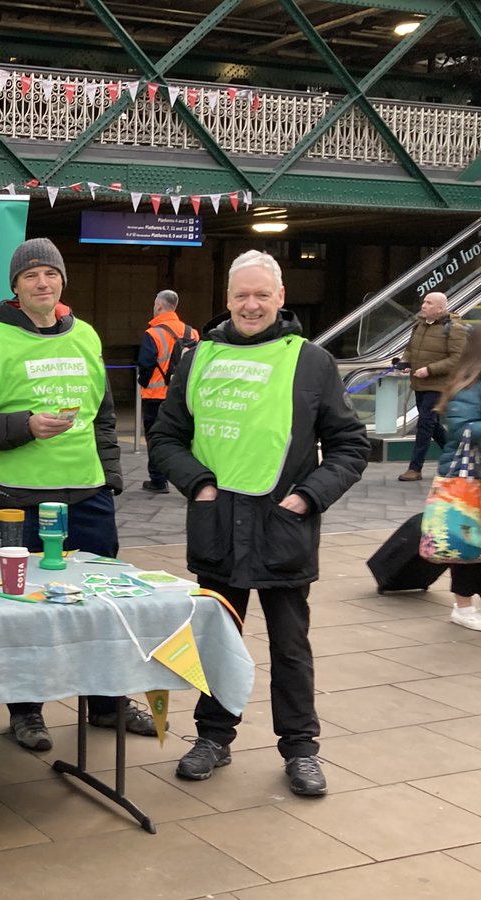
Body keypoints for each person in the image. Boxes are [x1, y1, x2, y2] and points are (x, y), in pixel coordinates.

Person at [149, 250, 369, 797]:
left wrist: (310, 496)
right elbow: (166, 436)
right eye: (241, 295)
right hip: (217, 527)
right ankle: (213, 738)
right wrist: (197, 483)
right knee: (216, 641)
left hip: (282, 532)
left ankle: (301, 750)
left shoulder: (312, 362)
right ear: (227, 299)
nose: (251, 304)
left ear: (280, 298)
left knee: (291, 649)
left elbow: (349, 444)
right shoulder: (196, 357)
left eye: (261, 295)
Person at [0, 237, 155, 754]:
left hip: (87, 498)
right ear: (15, 287)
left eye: (51, 274)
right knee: (22, 611)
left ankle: (107, 703)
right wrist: (23, 426)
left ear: (63, 281)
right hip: (18, 501)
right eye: (31, 276)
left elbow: (103, 418)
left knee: (103, 607)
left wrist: (110, 478)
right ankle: (26, 712)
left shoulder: (86, 336)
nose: (43, 283)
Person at [433, 326, 481, 630]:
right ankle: (463, 608)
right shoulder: (469, 384)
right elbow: (465, 428)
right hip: (469, 478)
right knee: (465, 544)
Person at [398, 291, 466, 482]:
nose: (423, 305)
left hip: (438, 385)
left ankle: (415, 468)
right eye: (424, 302)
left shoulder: (454, 329)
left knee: (425, 424)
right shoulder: (419, 325)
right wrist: (406, 363)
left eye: (429, 303)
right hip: (419, 383)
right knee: (432, 424)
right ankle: (456, 459)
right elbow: (411, 349)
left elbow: (457, 358)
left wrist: (430, 369)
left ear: (440, 308)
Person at [136, 289, 196, 494]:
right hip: (183, 397)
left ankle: (158, 479)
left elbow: (145, 364)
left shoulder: (152, 333)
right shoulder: (191, 332)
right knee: (183, 437)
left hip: (156, 396)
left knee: (156, 438)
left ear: (159, 306)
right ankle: (188, 478)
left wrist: (143, 382)